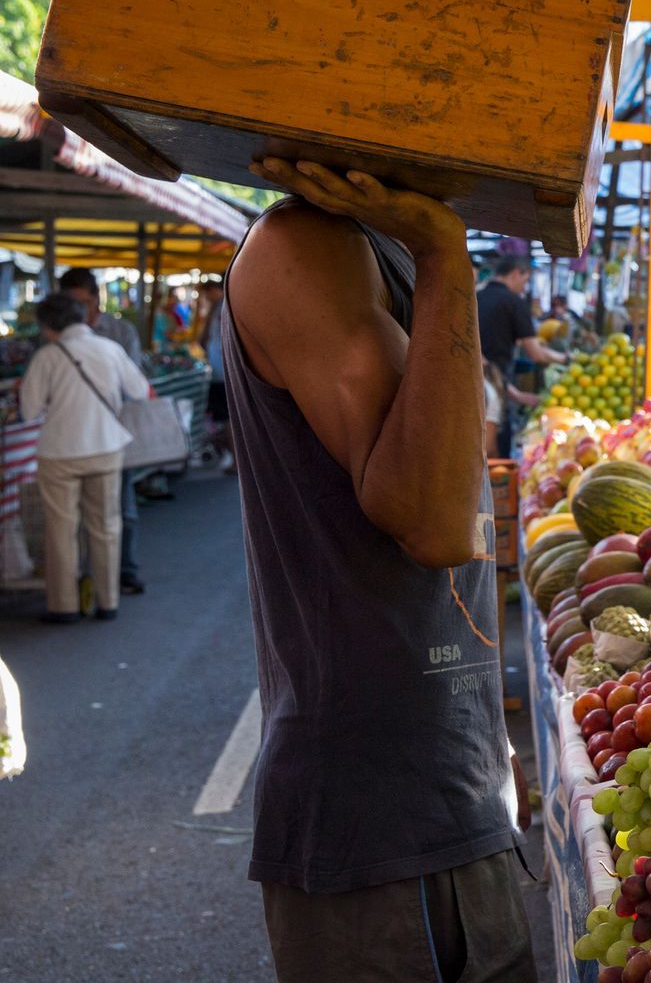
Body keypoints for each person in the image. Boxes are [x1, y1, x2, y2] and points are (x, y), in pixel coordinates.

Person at [226, 158, 532, 983]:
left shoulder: (379, 244)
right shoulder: (304, 246)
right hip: (384, 827)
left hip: (448, 792)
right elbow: (435, 523)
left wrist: (488, 739)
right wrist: (445, 258)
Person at [20, 293, 150, 624]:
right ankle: (108, 602)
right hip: (105, 448)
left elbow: (30, 410)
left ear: (48, 327)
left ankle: (64, 606)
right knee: (106, 525)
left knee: (61, 530)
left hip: (59, 453)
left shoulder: (47, 357)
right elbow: (139, 390)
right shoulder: (110, 349)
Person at [54, 268, 147, 594]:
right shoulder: (54, 337)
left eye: (81, 302)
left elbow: (135, 385)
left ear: (96, 299)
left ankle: (124, 572)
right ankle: (83, 581)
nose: (76, 310)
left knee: (120, 509)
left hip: (112, 435)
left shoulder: (120, 332)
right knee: (76, 517)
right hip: (70, 439)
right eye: (70, 303)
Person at [476, 254, 566, 458]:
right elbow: (535, 353)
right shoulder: (514, 302)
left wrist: (516, 394)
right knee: (495, 451)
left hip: (472, 384)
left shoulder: (476, 296)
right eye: (525, 281)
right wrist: (564, 359)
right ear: (516, 273)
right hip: (495, 390)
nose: (525, 288)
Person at [196, 278, 234, 473]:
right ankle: (236, 460)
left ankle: (237, 461)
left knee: (227, 416)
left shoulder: (223, 307)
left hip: (222, 370)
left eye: (205, 293)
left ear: (213, 289)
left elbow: (203, 339)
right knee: (227, 415)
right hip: (222, 368)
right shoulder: (223, 306)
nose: (205, 298)